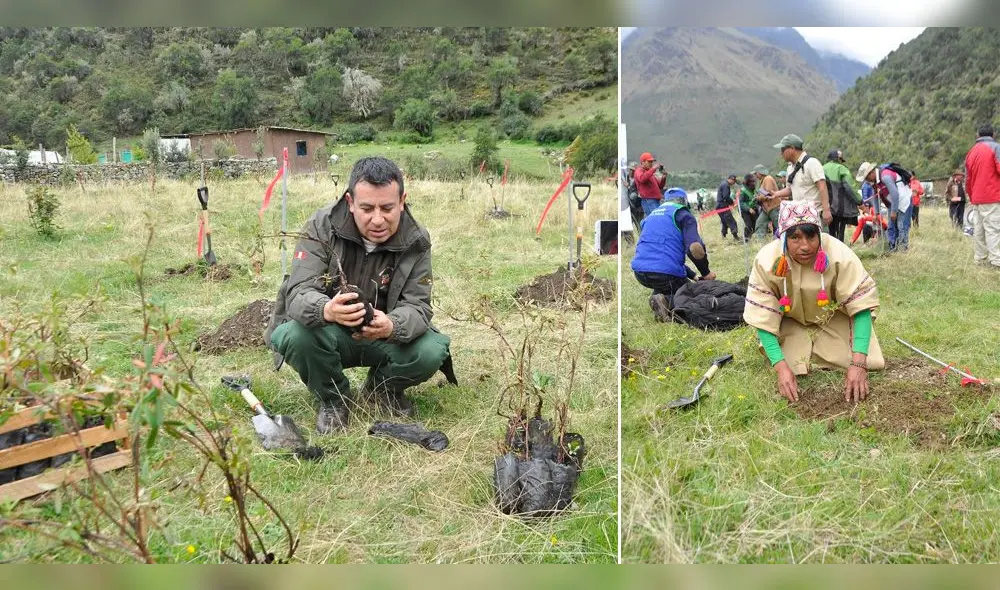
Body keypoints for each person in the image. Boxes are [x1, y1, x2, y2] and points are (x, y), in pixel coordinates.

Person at [265, 156, 452, 433]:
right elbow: (297, 293)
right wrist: (326, 309)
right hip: (329, 332)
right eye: (366, 208)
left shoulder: (416, 239)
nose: (378, 219)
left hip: (384, 335)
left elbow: (418, 306)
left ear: (402, 201)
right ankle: (334, 400)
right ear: (350, 202)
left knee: (431, 350)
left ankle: (382, 390)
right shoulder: (321, 226)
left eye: (387, 207)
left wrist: (392, 325)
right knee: (294, 335)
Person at [743, 201, 885, 403]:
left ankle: (823, 352)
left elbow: (859, 304)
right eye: (795, 238)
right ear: (783, 237)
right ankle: (802, 355)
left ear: (819, 233)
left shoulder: (839, 254)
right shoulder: (766, 260)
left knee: (871, 360)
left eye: (811, 236)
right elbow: (762, 317)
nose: (805, 246)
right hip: (788, 321)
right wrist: (781, 368)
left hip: (831, 318)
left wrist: (859, 363)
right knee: (789, 363)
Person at [631, 187, 716, 322]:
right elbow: (695, 248)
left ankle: (659, 297)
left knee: (668, 284)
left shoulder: (650, 217)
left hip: (640, 272)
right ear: (683, 201)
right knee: (692, 294)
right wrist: (706, 273)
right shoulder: (683, 215)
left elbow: (662, 255)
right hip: (664, 274)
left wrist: (693, 275)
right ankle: (667, 301)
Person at [768, 134, 832, 228]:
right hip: (799, 216)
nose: (781, 154)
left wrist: (826, 210)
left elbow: (822, 187)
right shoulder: (790, 168)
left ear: (792, 148)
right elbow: (790, 189)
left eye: (783, 150)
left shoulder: (812, 163)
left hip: (815, 214)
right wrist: (776, 194)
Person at [964, 123, 1000, 268]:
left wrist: (972, 196)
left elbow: (968, 178)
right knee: (993, 228)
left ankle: (980, 259)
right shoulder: (996, 148)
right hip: (992, 195)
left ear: (978, 135)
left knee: (978, 229)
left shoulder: (971, 152)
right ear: (993, 135)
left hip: (977, 197)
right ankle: (996, 260)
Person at [856, 162, 912, 252]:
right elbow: (875, 195)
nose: (866, 180)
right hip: (892, 203)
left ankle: (903, 249)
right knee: (891, 226)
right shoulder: (875, 182)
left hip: (902, 201)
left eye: (867, 178)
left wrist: (893, 211)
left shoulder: (885, 176)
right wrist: (876, 213)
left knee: (901, 225)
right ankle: (892, 247)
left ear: (872, 173)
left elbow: (895, 194)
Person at [822, 149, 862, 242]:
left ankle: (829, 252)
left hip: (825, 206)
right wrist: (859, 201)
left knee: (830, 232)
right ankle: (839, 252)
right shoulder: (842, 169)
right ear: (839, 159)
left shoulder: (821, 169)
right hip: (840, 207)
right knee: (840, 232)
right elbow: (850, 188)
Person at [634, 152, 668, 217]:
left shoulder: (649, 173)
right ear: (643, 162)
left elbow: (660, 186)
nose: (651, 163)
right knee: (655, 219)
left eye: (652, 162)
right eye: (649, 161)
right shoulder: (639, 170)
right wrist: (653, 169)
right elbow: (642, 179)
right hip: (648, 200)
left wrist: (663, 177)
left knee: (656, 219)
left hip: (654, 200)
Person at [751, 164, 781, 240]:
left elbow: (768, 194)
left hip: (774, 208)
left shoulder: (768, 179)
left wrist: (758, 198)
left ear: (759, 173)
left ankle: (784, 242)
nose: (755, 176)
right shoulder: (763, 181)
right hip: (767, 209)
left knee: (780, 227)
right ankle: (760, 243)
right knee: (759, 223)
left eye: (755, 173)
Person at [716, 173, 741, 242]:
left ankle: (723, 236)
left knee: (725, 222)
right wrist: (732, 202)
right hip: (722, 206)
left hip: (719, 206)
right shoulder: (725, 185)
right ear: (730, 179)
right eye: (734, 181)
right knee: (732, 221)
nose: (734, 183)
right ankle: (736, 237)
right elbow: (726, 197)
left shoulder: (724, 184)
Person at [738, 173, 759, 241]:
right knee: (749, 225)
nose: (754, 183)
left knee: (755, 224)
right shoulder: (743, 190)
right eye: (752, 181)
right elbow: (740, 203)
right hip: (744, 211)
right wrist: (749, 209)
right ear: (748, 182)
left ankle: (750, 237)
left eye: (754, 181)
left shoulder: (753, 188)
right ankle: (745, 239)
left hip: (753, 208)